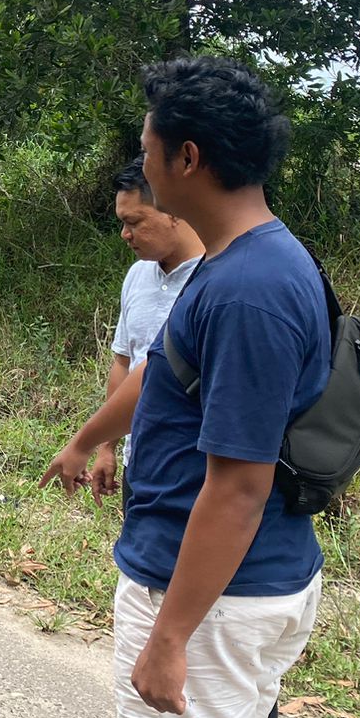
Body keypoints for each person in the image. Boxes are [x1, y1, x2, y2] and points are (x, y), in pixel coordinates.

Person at [40, 57, 328, 718]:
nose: (143, 162)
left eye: (147, 150)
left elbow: (239, 488)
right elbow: (161, 371)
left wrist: (170, 638)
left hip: (210, 600)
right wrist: (86, 439)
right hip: (216, 589)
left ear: (187, 157)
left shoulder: (248, 291)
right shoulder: (237, 263)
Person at [91, 157, 205, 507]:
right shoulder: (137, 276)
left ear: (173, 210)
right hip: (140, 463)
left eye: (134, 222)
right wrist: (106, 447)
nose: (125, 235)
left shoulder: (218, 280)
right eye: (122, 223)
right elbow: (123, 363)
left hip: (198, 471)